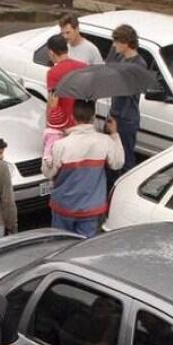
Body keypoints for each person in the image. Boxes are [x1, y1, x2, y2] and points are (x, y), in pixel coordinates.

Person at [43, 99, 124, 238]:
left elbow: (48, 173)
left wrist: (47, 149)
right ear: (93, 118)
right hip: (91, 208)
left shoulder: (61, 144)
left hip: (63, 206)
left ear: (73, 117)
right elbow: (118, 163)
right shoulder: (105, 141)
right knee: (84, 249)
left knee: (60, 246)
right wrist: (114, 134)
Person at [105, 24, 144, 173]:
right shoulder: (120, 57)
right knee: (111, 157)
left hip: (126, 118)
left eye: (116, 42)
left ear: (126, 42)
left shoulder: (138, 64)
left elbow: (128, 91)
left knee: (125, 159)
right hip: (115, 114)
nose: (114, 45)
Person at [44, 34, 87, 162]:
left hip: (65, 123)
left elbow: (53, 101)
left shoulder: (53, 73)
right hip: (83, 119)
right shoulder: (83, 66)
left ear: (51, 52)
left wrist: (49, 121)